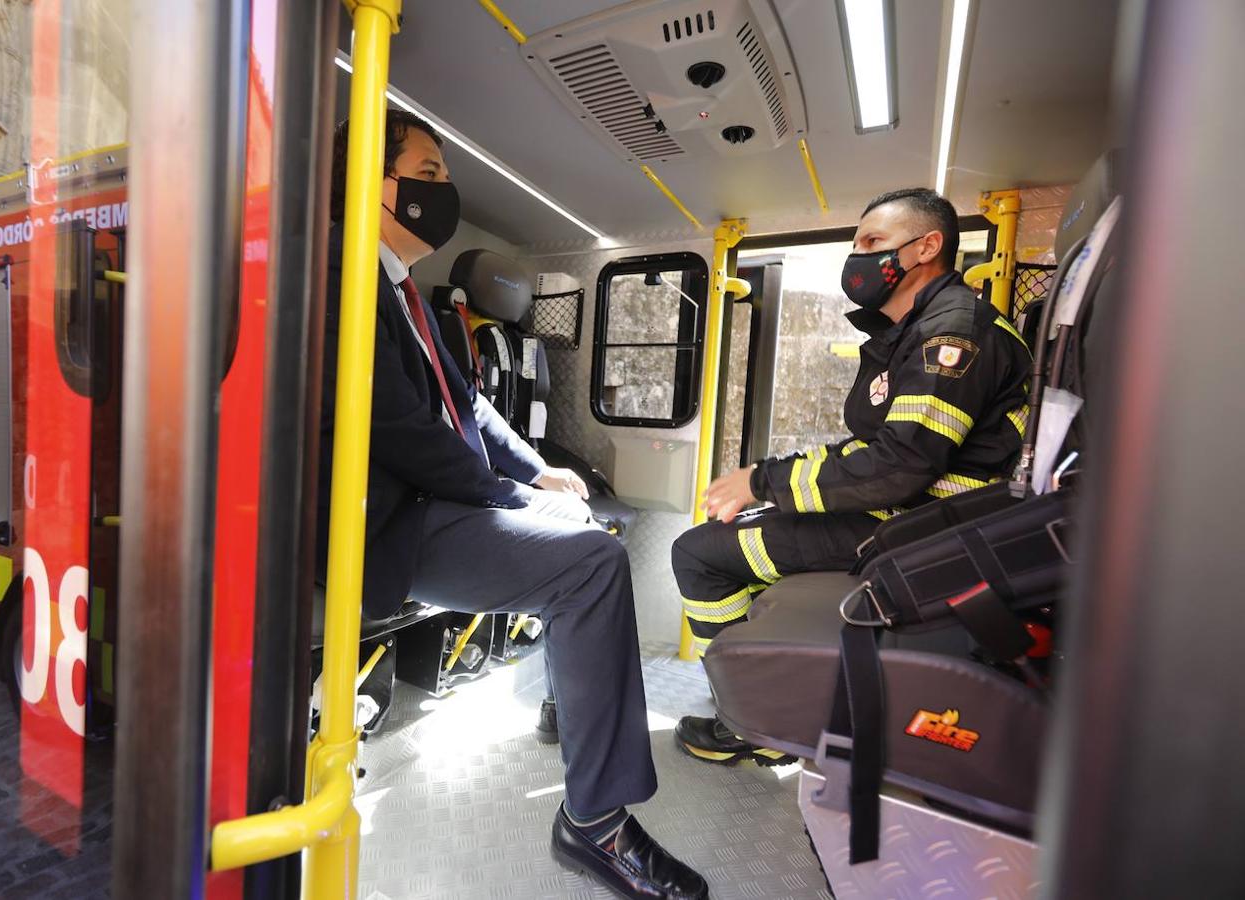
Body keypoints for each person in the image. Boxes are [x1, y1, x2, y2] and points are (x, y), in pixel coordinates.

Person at [318, 109, 709, 900]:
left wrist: (537, 476)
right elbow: (395, 427)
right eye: (424, 174)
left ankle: (569, 713)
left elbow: (472, 411)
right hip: (387, 523)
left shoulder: (410, 296)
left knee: (586, 520)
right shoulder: (338, 275)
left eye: (441, 175)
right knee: (595, 565)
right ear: (368, 180)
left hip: (435, 502)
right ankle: (596, 824)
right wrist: (502, 492)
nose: (443, 189)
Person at [672, 188, 1032, 766]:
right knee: (744, 531)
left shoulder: (955, 333)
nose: (858, 257)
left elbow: (900, 467)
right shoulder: (909, 333)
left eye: (873, 243)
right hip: (904, 519)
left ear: (927, 247)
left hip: (919, 531)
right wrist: (776, 486)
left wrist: (764, 482)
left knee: (697, 553)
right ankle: (778, 701)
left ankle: (751, 717)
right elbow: (876, 448)